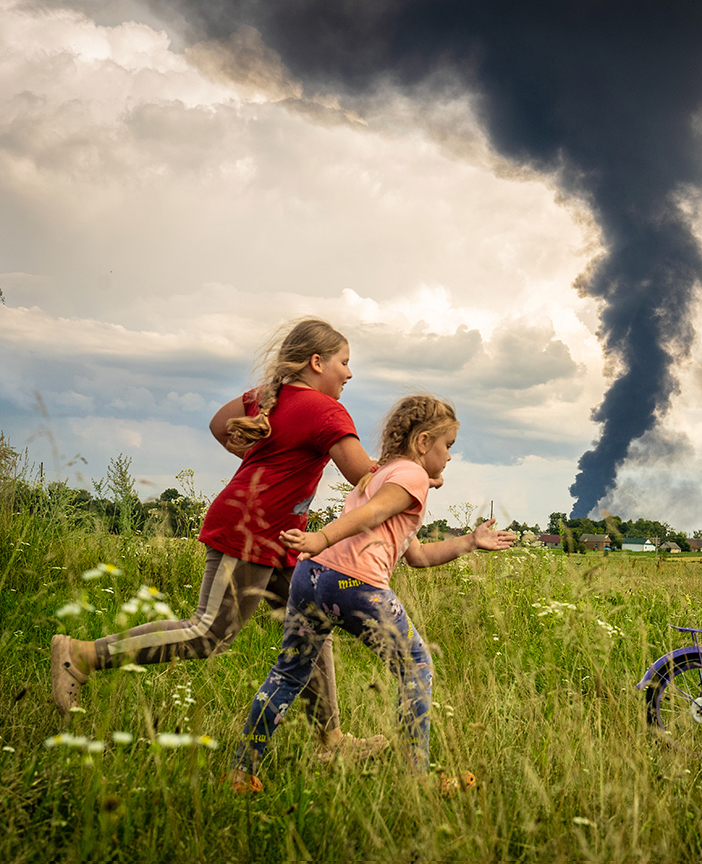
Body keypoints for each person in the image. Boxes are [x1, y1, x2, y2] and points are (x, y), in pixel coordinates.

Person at [51, 318, 382, 758]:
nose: (349, 373)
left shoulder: (272, 397)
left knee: (311, 626)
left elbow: (218, 423)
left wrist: (257, 455)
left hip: (281, 539)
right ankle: (84, 655)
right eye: (345, 362)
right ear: (317, 362)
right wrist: (414, 471)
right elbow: (364, 476)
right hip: (248, 532)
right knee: (209, 633)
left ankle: (331, 740)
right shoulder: (325, 409)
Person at [226, 394, 515, 794]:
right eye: (447, 446)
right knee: (415, 666)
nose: (449, 458)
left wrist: (471, 540)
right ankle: (418, 778)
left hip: (312, 576)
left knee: (290, 672)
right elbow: (374, 514)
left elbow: (418, 556)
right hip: (353, 582)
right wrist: (321, 535)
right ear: (423, 441)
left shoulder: (381, 476)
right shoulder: (410, 477)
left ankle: (241, 772)